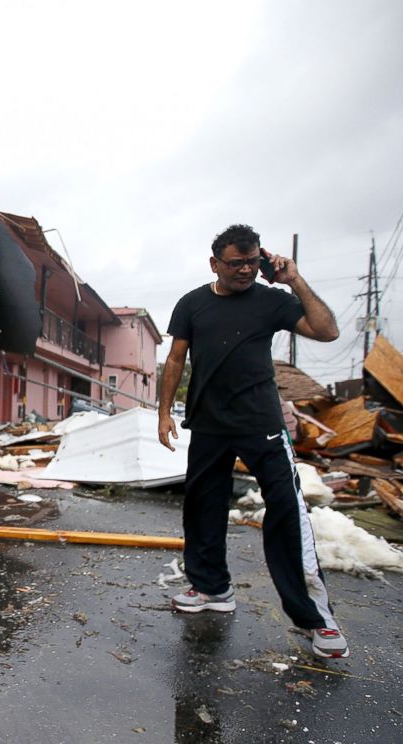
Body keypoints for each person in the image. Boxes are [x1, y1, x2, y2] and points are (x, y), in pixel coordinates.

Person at [157, 224, 348, 659]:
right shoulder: (192, 303)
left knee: (286, 510)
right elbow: (175, 358)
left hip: (260, 422)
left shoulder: (272, 300)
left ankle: (317, 619)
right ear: (215, 264)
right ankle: (212, 588)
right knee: (202, 507)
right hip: (207, 422)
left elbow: (327, 331)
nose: (246, 269)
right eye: (236, 262)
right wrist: (166, 412)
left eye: (252, 260)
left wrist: (294, 279)